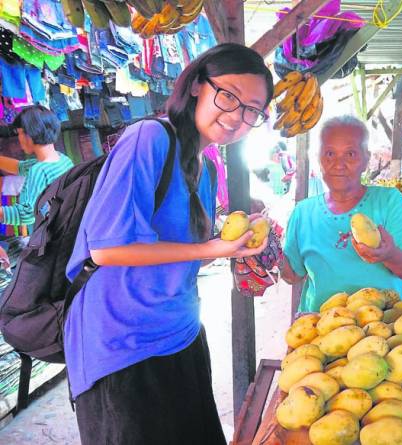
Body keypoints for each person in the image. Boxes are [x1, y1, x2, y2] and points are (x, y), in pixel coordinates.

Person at [64, 43, 273, 445]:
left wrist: (233, 242)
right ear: (197, 85)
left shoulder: (207, 168)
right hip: (122, 343)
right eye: (228, 95)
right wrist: (211, 249)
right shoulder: (149, 138)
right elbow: (107, 249)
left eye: (252, 110)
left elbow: (175, 256)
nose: (236, 117)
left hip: (181, 333)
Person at [280, 115, 402, 312]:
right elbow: (292, 275)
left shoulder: (389, 201)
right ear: (319, 159)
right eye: (330, 154)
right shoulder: (303, 212)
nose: (339, 164)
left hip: (385, 332)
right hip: (322, 332)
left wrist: (389, 254)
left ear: (366, 159)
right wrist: (268, 251)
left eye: (350, 154)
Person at [0, 105, 73, 227]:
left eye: (19, 133)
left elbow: (25, 215)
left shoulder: (39, 171)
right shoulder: (63, 160)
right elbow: (20, 167)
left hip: (52, 235)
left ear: (29, 134)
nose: (19, 139)